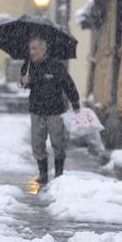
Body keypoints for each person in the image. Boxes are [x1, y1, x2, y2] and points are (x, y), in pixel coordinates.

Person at [21, 36, 80, 185]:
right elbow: (23, 83)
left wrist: (75, 103)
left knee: (58, 143)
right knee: (37, 144)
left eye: (34, 49)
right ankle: (43, 174)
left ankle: (59, 175)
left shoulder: (56, 65)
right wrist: (23, 81)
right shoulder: (28, 65)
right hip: (36, 110)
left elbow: (69, 84)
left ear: (43, 49)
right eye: (30, 49)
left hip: (55, 111)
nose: (32, 52)